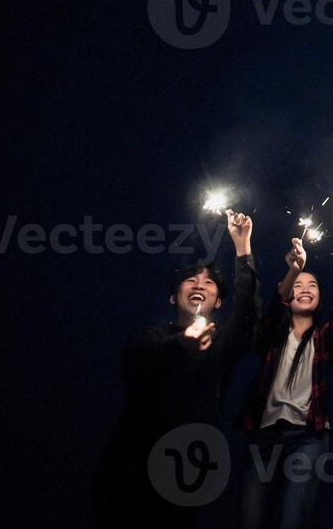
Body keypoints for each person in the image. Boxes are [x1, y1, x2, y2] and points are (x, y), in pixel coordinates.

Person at [93, 210, 259, 528]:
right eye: (190, 279)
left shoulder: (222, 344)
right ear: (173, 296)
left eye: (209, 282)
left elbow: (249, 313)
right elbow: (139, 360)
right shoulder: (150, 337)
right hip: (128, 470)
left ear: (219, 301)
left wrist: (242, 247)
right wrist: (182, 342)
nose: (199, 285)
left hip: (184, 472)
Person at [238, 226, 333, 529]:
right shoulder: (272, 336)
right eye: (298, 286)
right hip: (264, 436)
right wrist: (295, 268)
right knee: (251, 518)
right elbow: (273, 309)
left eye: (312, 284)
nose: (305, 288)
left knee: (293, 519)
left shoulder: (324, 338)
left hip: (308, 437)